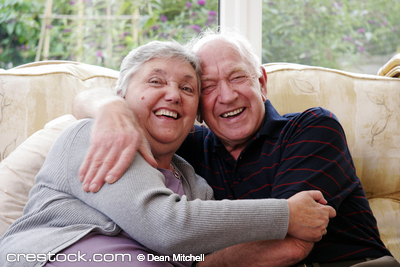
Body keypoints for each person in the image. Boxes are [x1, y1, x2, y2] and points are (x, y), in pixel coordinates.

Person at [74, 28, 400, 267]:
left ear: (261, 82)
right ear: (197, 106)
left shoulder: (312, 127)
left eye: (238, 77)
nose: (227, 96)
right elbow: (87, 101)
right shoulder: (185, 150)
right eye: (209, 87)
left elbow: (291, 246)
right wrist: (110, 109)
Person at [0, 41, 334, 267]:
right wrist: (286, 216)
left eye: (188, 88)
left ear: (196, 114)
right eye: (156, 82)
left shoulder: (194, 182)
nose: (173, 95)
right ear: (122, 94)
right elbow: (166, 226)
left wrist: (287, 248)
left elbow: (200, 258)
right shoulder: (93, 135)